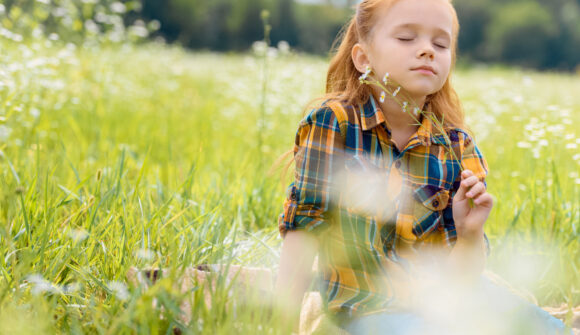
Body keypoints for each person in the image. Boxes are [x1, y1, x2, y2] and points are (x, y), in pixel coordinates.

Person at [274, 0, 572, 334]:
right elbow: (303, 230)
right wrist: (282, 324)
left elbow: (462, 281)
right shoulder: (335, 124)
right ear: (363, 58)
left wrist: (470, 232)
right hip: (369, 311)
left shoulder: (456, 146)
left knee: (544, 328)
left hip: (448, 302)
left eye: (440, 43)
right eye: (406, 38)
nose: (427, 50)